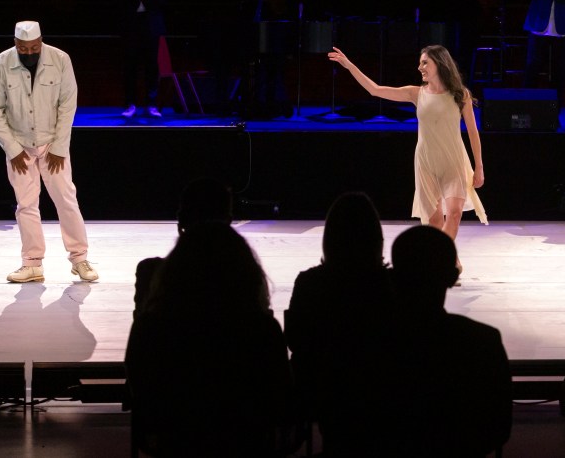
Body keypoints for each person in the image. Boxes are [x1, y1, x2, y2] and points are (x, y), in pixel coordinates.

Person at [125, 215, 294, 456]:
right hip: (245, 444)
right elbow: (280, 400)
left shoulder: (151, 327)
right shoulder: (261, 329)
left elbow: (142, 390)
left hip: (177, 443)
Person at [328, 44, 487, 277]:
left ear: (439, 64)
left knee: (454, 212)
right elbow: (375, 90)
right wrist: (349, 65)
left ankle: (441, 261)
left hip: (453, 160)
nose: (419, 67)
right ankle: (449, 257)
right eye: (420, 62)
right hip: (426, 162)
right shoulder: (416, 93)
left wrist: (479, 166)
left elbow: (473, 132)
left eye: (425, 62)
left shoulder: (459, 94)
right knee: (434, 221)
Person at [0, 21, 98, 284]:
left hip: (51, 143)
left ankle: (79, 259)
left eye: (34, 47)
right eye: (23, 48)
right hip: (20, 145)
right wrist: (12, 150)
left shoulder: (60, 59)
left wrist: (58, 147)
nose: (29, 52)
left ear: (41, 40)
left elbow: (67, 106)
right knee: (26, 204)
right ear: (15, 43)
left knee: (66, 200)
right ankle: (32, 264)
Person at [285, 191, 395, 457]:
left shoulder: (310, 284)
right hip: (384, 397)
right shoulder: (394, 286)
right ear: (376, 240)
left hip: (325, 397)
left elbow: (295, 339)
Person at [389, 225, 512, 458]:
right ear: (452, 277)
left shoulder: (368, 343)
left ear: (393, 276)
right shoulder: (482, 341)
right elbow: (499, 428)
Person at [132, 177, 234, 319]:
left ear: (181, 220)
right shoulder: (244, 274)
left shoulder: (150, 271)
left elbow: (141, 332)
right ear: (228, 221)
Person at [114, 0, 167, 119]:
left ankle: (152, 105)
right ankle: (130, 104)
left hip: (150, 24)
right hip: (130, 25)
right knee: (130, 66)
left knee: (152, 66)